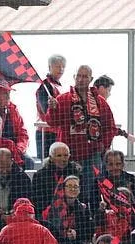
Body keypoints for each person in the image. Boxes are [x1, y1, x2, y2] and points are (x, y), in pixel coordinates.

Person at [45, 64, 121, 200]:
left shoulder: (100, 102)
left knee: (89, 191)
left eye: (85, 76)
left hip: (92, 155)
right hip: (67, 156)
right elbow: (52, 122)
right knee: (66, 190)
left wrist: (104, 144)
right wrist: (52, 109)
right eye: (78, 76)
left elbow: (110, 127)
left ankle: (86, 216)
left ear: (91, 79)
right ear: (74, 77)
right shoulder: (63, 99)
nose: (81, 79)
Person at [35, 54, 65, 158]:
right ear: (49, 67)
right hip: (46, 133)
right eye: (57, 66)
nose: (61, 69)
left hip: (57, 131)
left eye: (63, 66)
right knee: (47, 165)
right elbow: (45, 110)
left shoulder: (59, 86)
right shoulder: (45, 86)